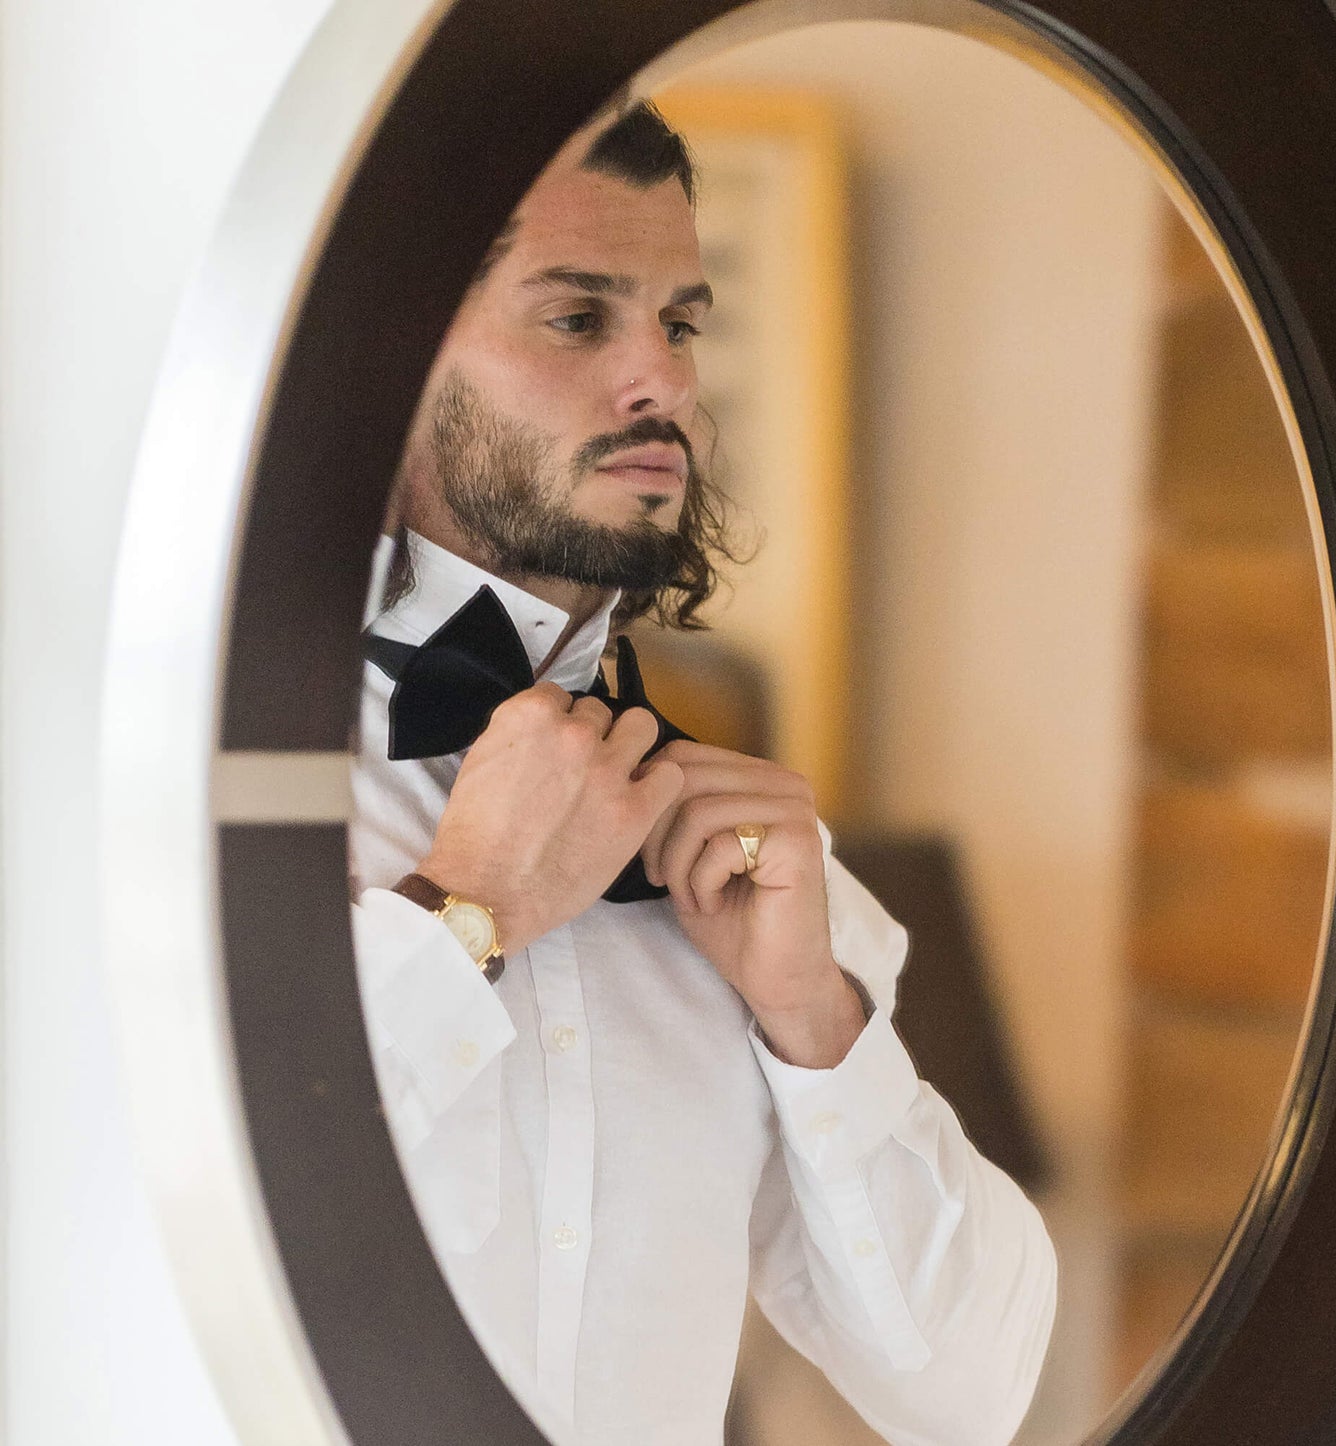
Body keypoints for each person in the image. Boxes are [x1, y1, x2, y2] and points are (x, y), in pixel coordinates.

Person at [348, 98, 1056, 1446]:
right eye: (577, 317)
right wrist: (468, 906)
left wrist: (812, 1016)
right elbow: (141, 1251)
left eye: (680, 322)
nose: (661, 382)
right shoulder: (206, 805)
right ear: (387, 366)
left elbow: (970, 1392)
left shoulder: (750, 870)